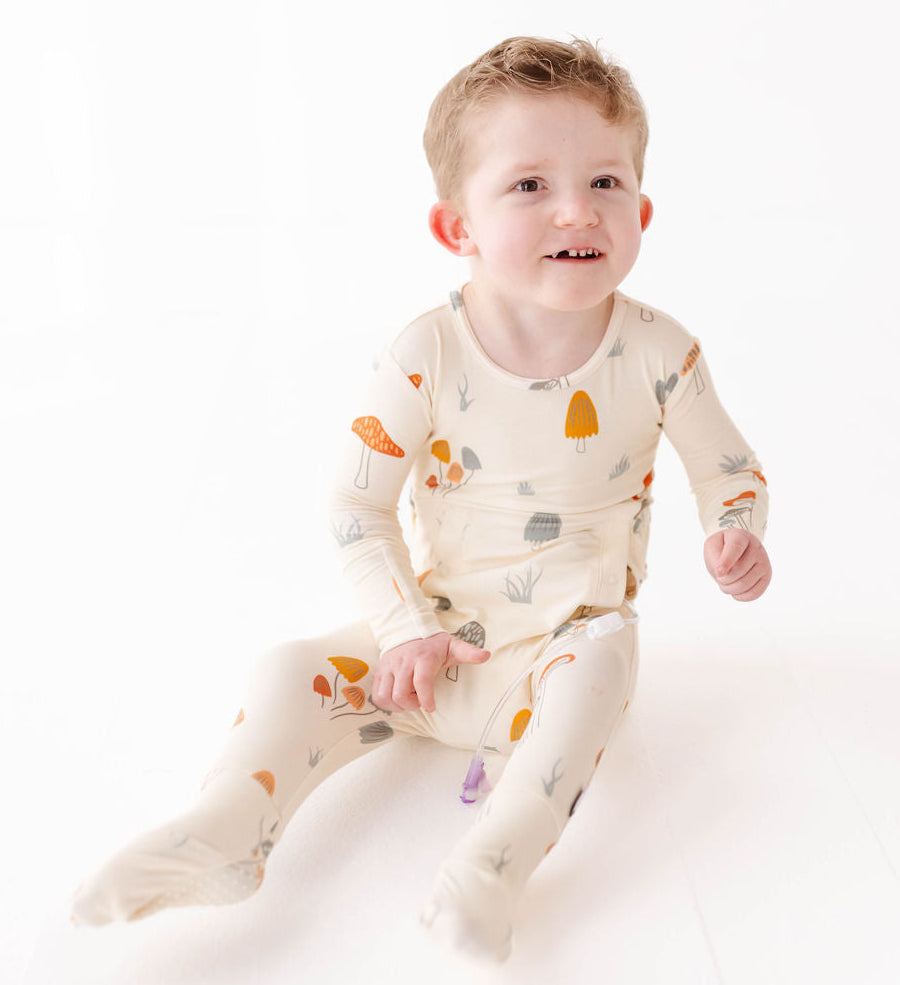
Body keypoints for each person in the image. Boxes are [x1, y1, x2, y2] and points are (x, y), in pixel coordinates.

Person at [70, 36, 771, 963]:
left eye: (605, 183)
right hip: (431, 645)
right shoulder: (424, 354)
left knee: (598, 675)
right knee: (290, 667)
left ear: (640, 208)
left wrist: (735, 530)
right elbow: (355, 509)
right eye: (529, 186)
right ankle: (230, 823)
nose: (577, 209)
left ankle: (489, 869)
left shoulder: (659, 353)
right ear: (458, 228)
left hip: (566, 647)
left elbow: (730, 471)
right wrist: (402, 628)